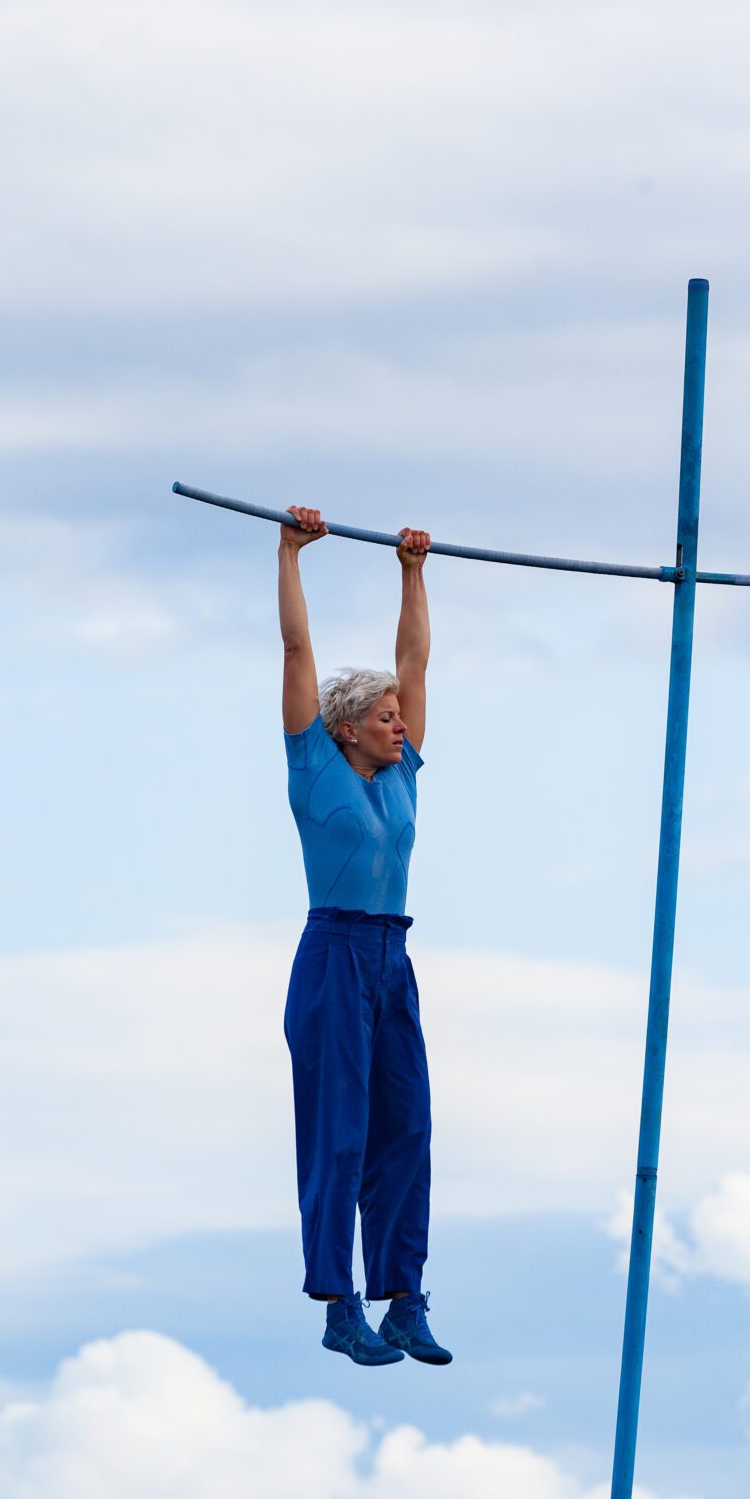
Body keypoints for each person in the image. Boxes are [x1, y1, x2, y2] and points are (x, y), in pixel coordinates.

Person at [278, 503, 451, 1369]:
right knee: (338, 1133)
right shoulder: (314, 765)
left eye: (400, 715)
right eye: (384, 715)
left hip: (392, 958)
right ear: (347, 727)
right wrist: (291, 554)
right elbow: (297, 655)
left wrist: (412, 571)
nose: (400, 723)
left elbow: (415, 660)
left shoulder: (402, 776)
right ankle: (337, 1304)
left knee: (406, 1130)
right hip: (333, 957)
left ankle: (403, 1300)